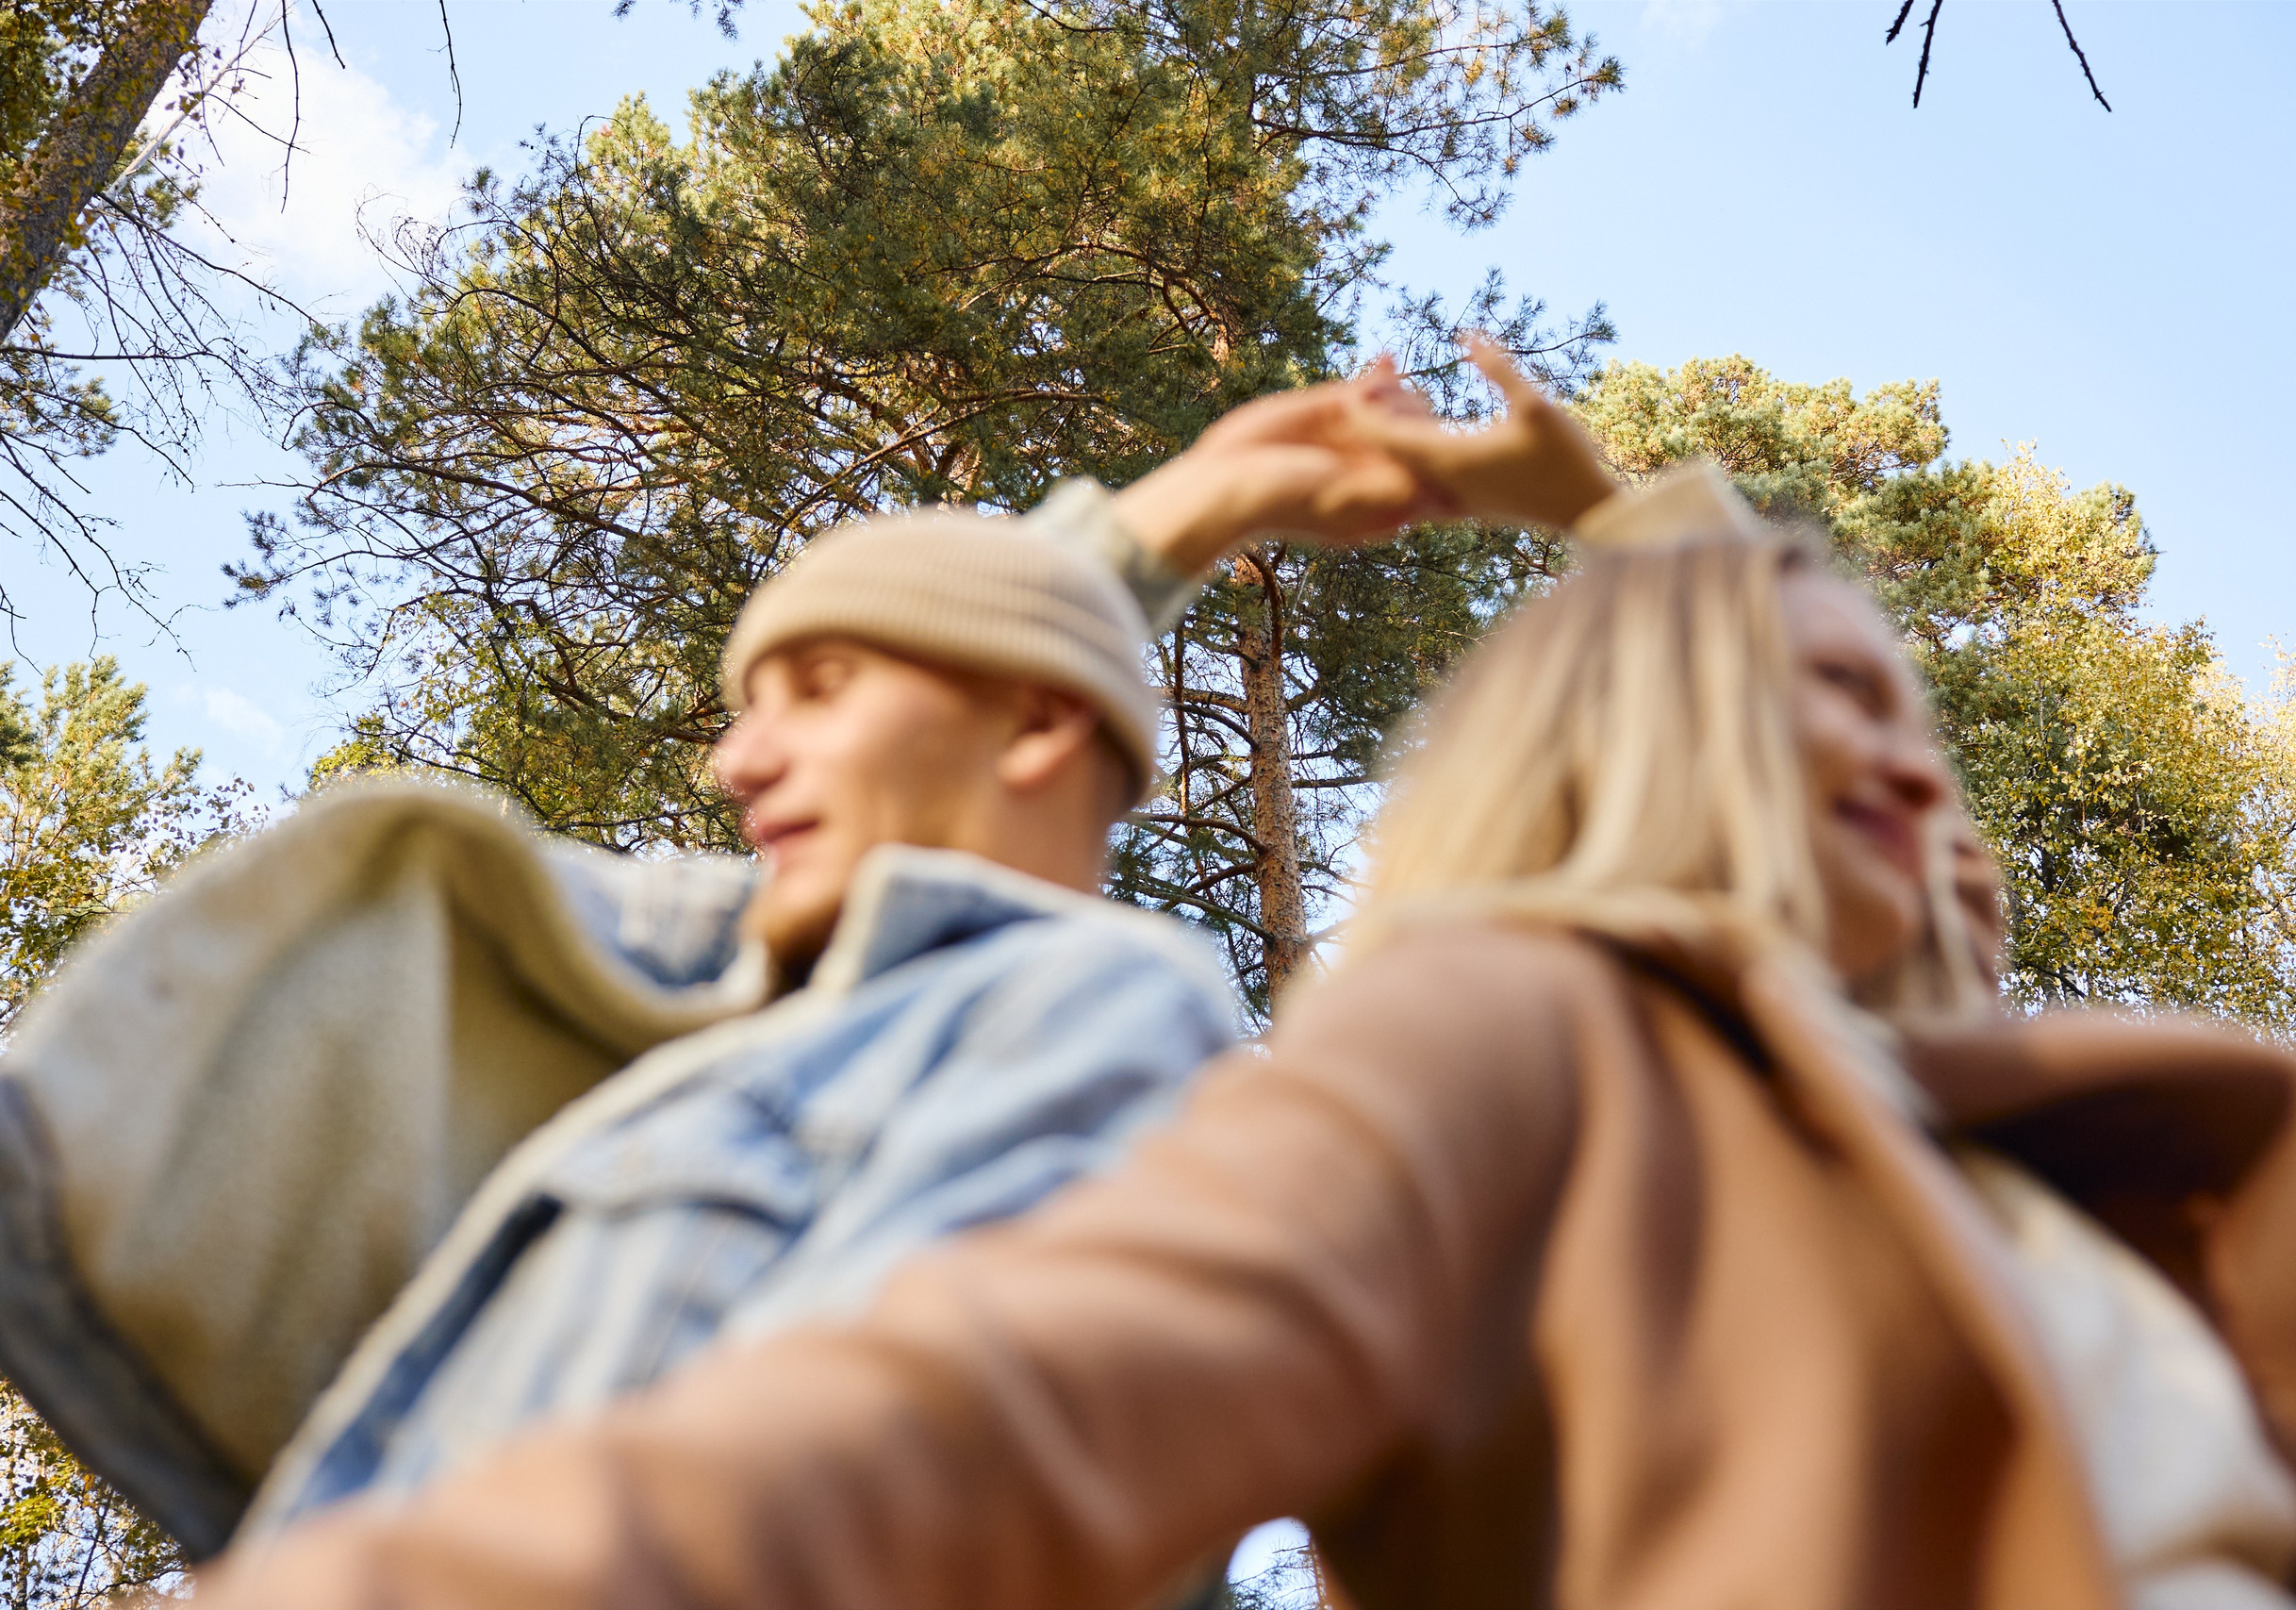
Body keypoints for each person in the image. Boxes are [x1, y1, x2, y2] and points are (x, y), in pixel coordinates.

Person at [186, 346, 2296, 1610]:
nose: (1921, 789)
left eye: (1934, 757)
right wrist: (1165, 522)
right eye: (1839, 712)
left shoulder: (2123, 1157)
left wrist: (1628, 521)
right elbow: (1016, 1398)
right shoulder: (1526, 1048)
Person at [0, 367, 1452, 1558]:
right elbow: (991, 677)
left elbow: (890, 1470)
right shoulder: (733, 1021)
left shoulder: (1104, 1008)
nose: (733, 762)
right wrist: (1183, 513)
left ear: (1033, 728)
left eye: (815, 692)